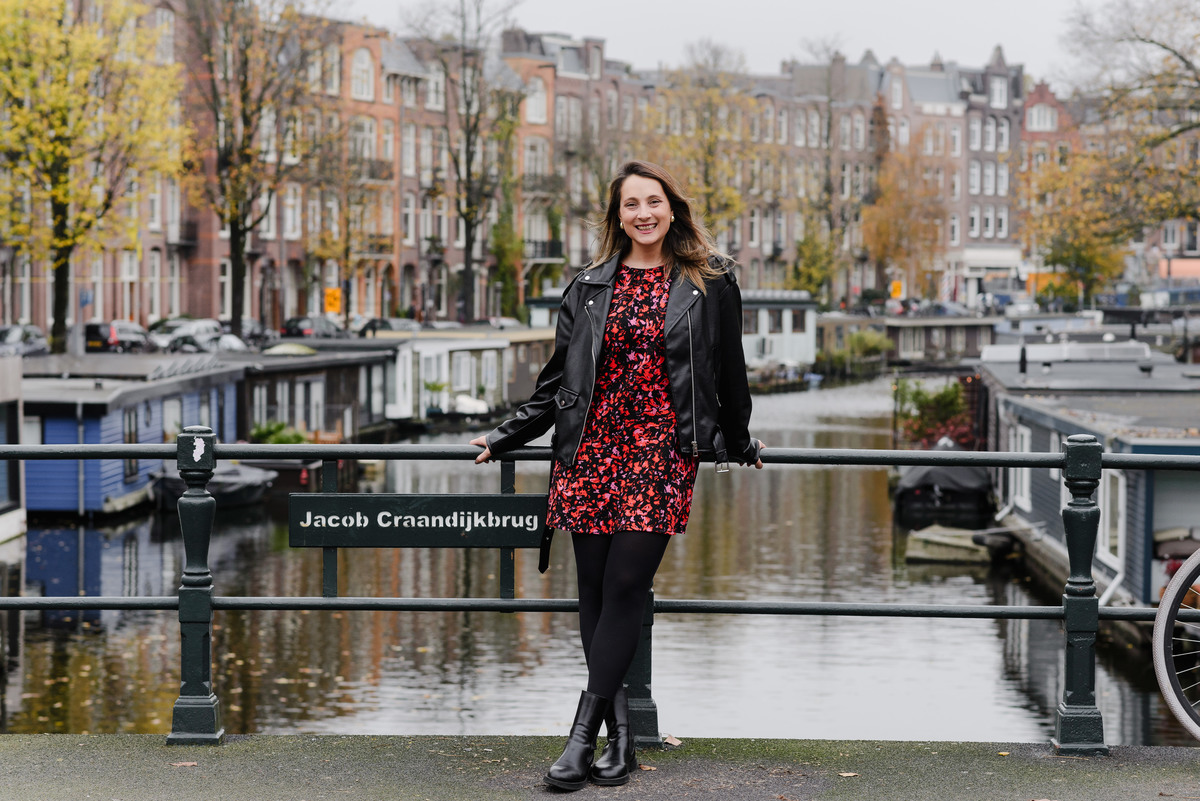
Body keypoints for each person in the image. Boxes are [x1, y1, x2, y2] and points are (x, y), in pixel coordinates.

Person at [470, 160, 762, 791]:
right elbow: (557, 383)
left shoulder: (710, 282)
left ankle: (580, 738)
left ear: (672, 208)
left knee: (628, 585)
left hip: (660, 451)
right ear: (618, 216)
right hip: (593, 447)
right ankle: (622, 742)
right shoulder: (589, 287)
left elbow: (729, 373)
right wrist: (505, 435)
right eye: (631, 205)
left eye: (653, 202)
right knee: (596, 592)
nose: (643, 214)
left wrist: (738, 441)